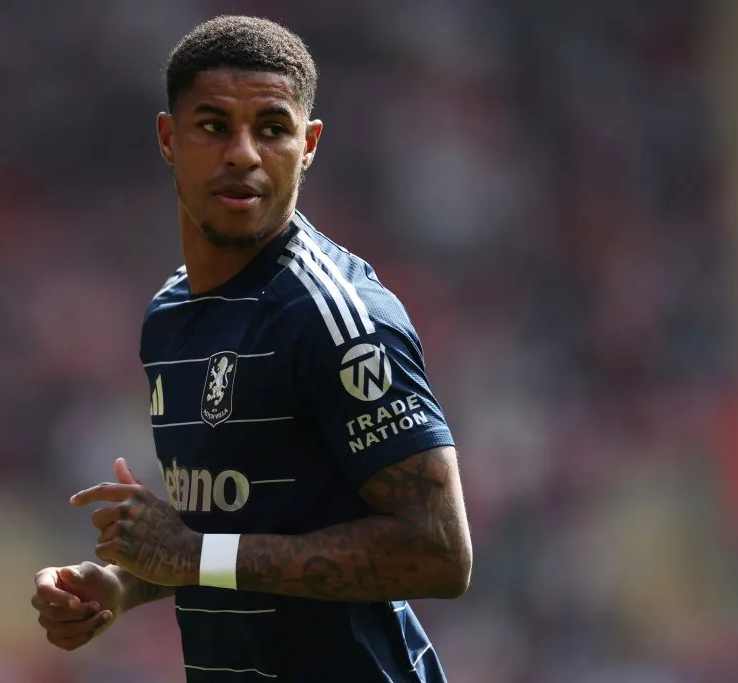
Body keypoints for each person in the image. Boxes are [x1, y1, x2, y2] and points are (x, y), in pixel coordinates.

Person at [31, 15, 472, 682]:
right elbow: (226, 534)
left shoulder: (337, 319)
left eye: (272, 128)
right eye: (213, 126)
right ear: (167, 138)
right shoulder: (169, 319)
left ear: (310, 144)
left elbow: (439, 551)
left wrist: (189, 555)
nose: (243, 153)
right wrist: (127, 584)